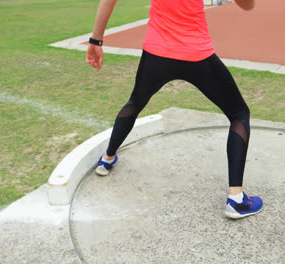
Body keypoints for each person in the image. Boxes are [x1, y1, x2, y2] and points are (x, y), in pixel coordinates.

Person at [86, 0, 262, 219]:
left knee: (135, 103)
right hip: (195, 53)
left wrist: (96, 40)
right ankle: (236, 199)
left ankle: (108, 158)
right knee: (239, 114)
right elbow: (247, 6)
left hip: (157, 53)